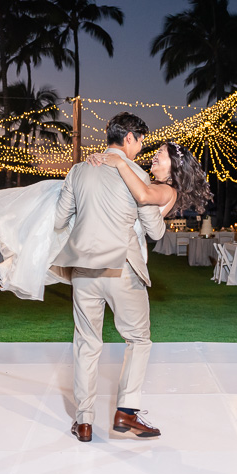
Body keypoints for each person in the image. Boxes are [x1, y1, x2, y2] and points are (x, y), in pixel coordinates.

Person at [53, 114, 212, 443]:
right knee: (138, 340)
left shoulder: (80, 168)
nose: (145, 148)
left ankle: (83, 421)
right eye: (142, 141)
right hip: (122, 267)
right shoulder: (137, 176)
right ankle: (126, 412)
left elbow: (59, 218)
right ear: (129, 138)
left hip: (84, 269)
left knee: (86, 342)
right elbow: (154, 230)